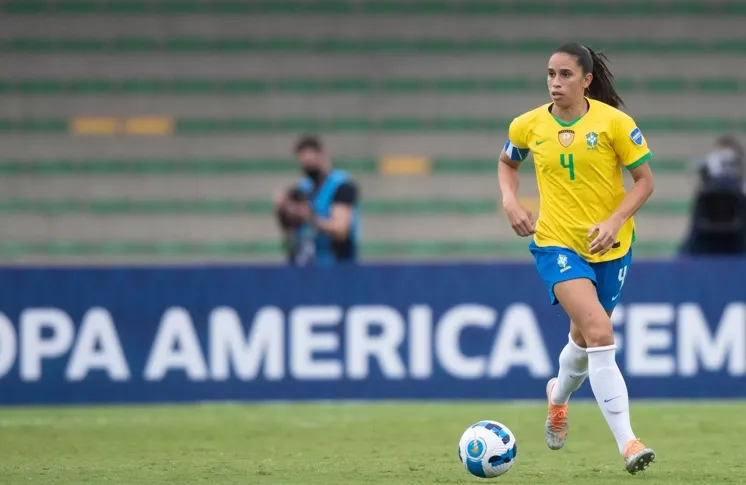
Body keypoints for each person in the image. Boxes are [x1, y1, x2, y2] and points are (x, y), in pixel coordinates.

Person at [497, 43, 656, 474]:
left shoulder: (615, 124)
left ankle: (557, 398)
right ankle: (628, 443)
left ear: (586, 80)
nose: (555, 83)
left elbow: (644, 181)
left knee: (584, 339)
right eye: (550, 74)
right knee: (600, 331)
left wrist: (614, 219)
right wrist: (510, 201)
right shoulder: (527, 125)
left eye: (565, 75)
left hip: (611, 246)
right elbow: (507, 162)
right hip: (556, 244)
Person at [273, 134, 360, 266]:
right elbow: (289, 226)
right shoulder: (303, 188)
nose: (308, 166)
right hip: (305, 264)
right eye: (304, 162)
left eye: (311, 161)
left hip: (336, 265)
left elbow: (341, 230)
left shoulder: (341, 186)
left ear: (322, 157)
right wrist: (283, 209)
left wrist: (309, 217)